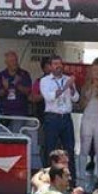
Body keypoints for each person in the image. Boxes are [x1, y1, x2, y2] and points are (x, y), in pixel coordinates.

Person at [40, 55, 79, 186]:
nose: (58, 66)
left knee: (69, 150)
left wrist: (72, 87)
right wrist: (64, 87)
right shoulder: (45, 81)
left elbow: (76, 98)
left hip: (66, 117)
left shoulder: (68, 79)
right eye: (55, 64)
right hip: (52, 117)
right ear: (50, 66)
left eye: (60, 63)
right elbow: (49, 97)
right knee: (50, 150)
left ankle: (71, 182)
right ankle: (47, 182)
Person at [79, 58, 98, 186]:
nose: (96, 72)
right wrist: (90, 93)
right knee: (84, 147)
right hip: (87, 118)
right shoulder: (85, 85)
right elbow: (81, 105)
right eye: (94, 70)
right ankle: (80, 176)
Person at [0, 50, 33, 132]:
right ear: (6, 62)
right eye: (11, 61)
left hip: (19, 113)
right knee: (3, 139)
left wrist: (17, 85)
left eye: (15, 60)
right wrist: (5, 88)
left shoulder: (24, 74)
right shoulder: (1, 75)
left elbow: (28, 91)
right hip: (4, 113)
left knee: (17, 139)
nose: (14, 63)